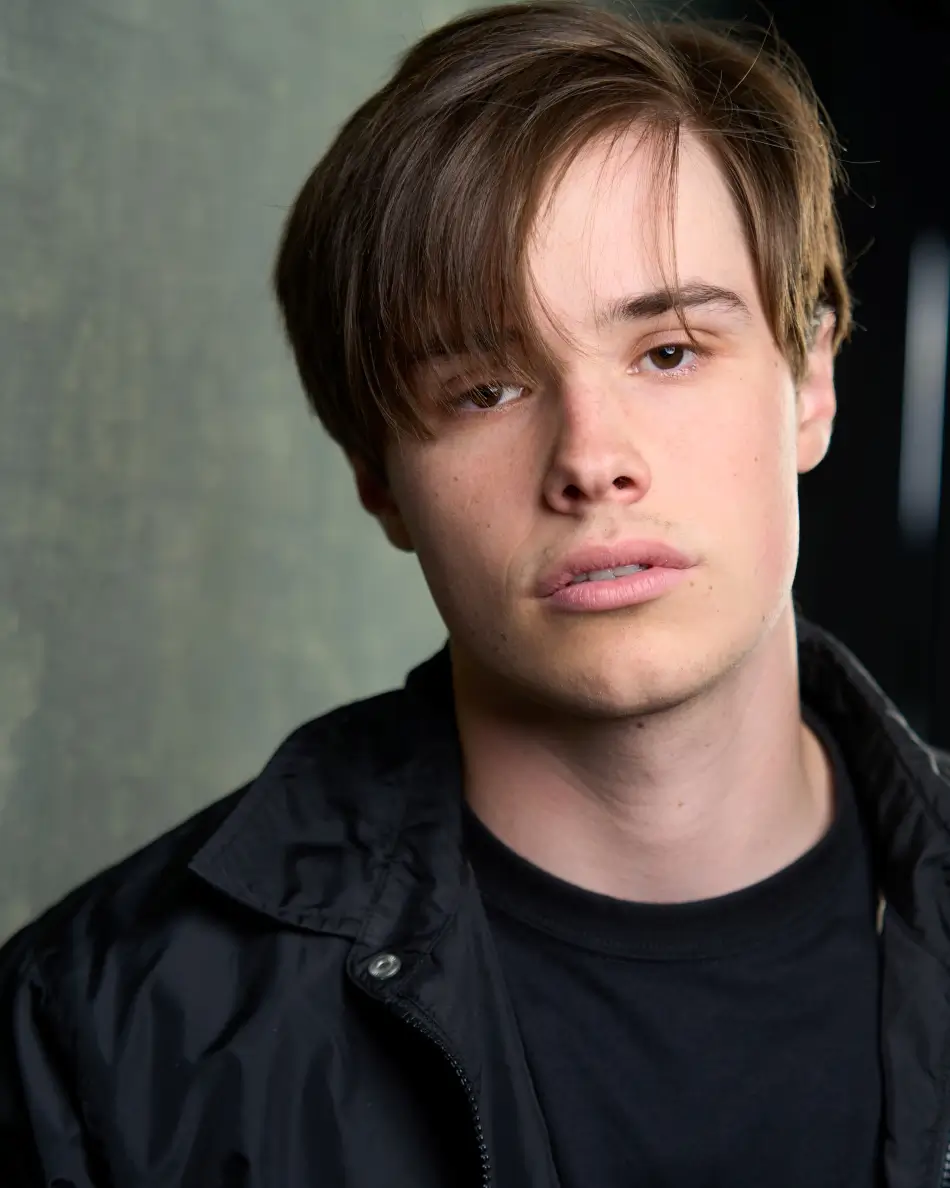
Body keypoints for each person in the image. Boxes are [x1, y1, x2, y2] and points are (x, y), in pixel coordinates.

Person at [2, 1, 949, 1184]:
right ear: (377, 481)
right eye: (485, 389)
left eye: (666, 351)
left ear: (807, 384)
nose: (589, 456)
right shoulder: (96, 1034)